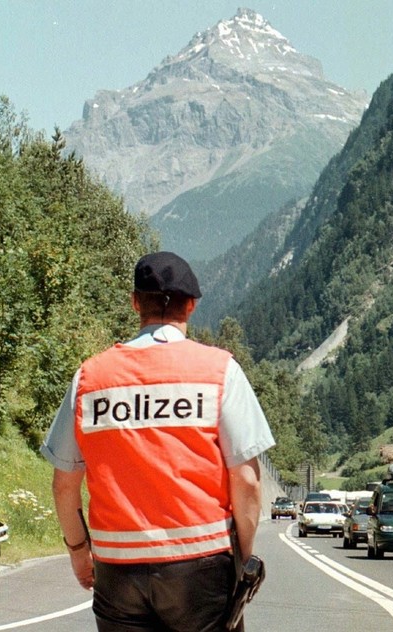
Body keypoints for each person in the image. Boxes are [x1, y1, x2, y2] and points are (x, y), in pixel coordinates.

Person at [41, 251, 275, 632]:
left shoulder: (90, 378)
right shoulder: (219, 372)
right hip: (199, 563)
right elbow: (247, 481)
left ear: (135, 302)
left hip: (117, 568)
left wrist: (80, 551)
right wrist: (243, 559)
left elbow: (63, 484)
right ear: (192, 306)